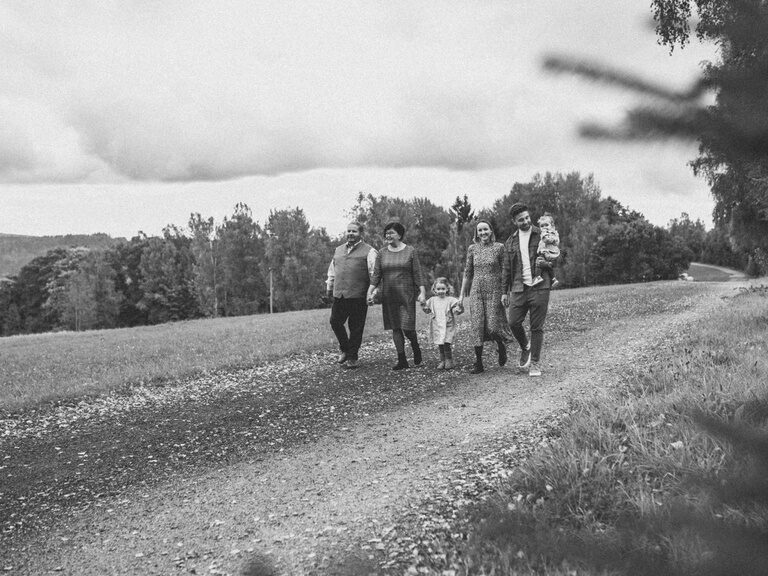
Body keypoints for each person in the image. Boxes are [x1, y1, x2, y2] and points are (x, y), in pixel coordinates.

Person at [501, 203, 559, 377]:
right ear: (514, 221)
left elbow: (556, 255)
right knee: (513, 322)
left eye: (527, 217)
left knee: (536, 327)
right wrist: (504, 291)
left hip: (540, 286)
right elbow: (506, 269)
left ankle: (535, 363)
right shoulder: (510, 241)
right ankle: (525, 346)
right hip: (519, 287)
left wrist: (548, 262)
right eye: (521, 220)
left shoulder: (542, 233)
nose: (526, 221)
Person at [366, 221, 428, 370]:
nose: (388, 235)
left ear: (399, 235)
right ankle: (402, 360)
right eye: (386, 233)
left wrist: (422, 292)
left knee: (407, 328)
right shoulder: (382, 253)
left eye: (391, 233)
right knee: (395, 328)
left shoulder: (410, 251)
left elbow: (417, 273)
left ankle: (415, 347)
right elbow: (376, 275)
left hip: (406, 295)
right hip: (389, 296)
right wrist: (370, 291)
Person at [459, 219, 513, 374]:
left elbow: (505, 271)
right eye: (480, 230)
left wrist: (506, 292)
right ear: (477, 233)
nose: (483, 233)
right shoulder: (472, 249)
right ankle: (479, 363)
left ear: (491, 231)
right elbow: (467, 273)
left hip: (495, 290)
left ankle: (501, 346)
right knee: (477, 326)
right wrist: (461, 296)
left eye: (485, 229)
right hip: (476, 291)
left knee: (493, 327)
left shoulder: (499, 247)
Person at [325, 221, 378, 369]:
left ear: (360, 233)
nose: (350, 234)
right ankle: (345, 349)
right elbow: (332, 271)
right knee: (335, 322)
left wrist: (372, 293)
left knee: (356, 327)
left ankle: (352, 357)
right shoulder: (338, 250)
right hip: (340, 294)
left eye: (354, 231)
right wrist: (329, 287)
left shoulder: (369, 251)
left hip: (358, 295)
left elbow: (374, 274)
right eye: (348, 231)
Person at [421, 277, 463, 370]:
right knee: (440, 343)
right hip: (437, 324)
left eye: (443, 289)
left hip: (447, 325)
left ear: (447, 289)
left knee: (446, 343)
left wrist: (458, 308)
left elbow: (456, 310)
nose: (440, 291)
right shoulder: (432, 300)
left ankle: (449, 360)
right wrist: (423, 305)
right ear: (435, 289)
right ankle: (442, 360)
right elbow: (427, 310)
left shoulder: (450, 300)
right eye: (438, 289)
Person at [531, 213, 560, 288]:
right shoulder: (553, 233)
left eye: (546, 225)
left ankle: (538, 277)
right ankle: (554, 279)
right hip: (550, 252)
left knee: (538, 262)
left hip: (548, 252)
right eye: (542, 226)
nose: (544, 227)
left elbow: (549, 241)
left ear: (552, 226)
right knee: (547, 266)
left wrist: (545, 237)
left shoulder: (549, 233)